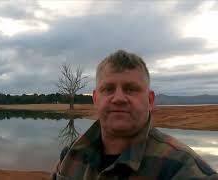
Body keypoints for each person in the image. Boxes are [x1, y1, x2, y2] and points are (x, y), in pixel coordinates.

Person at [52, 50, 218, 179]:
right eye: (108, 89)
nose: (118, 98)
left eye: (131, 89)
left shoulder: (181, 167)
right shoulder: (71, 155)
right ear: (95, 99)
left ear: (150, 100)